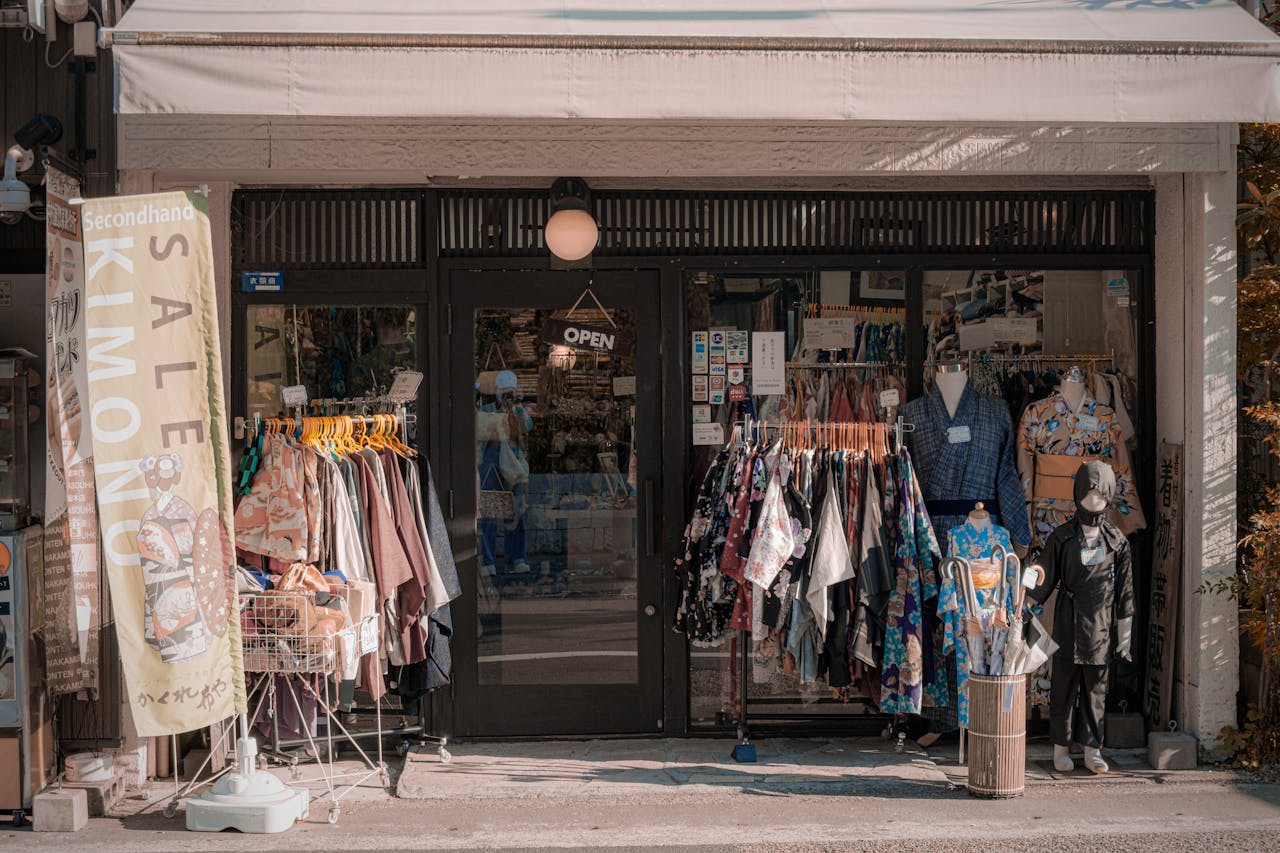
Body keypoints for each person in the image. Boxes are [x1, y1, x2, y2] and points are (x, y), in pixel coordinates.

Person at [476, 370, 532, 576]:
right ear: (497, 391)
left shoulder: (518, 410)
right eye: (503, 391)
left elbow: (527, 427)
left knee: (516, 512)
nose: (506, 395)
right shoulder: (486, 409)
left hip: (513, 464)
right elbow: (479, 431)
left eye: (510, 391)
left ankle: (516, 558)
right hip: (491, 462)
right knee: (489, 510)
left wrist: (517, 407)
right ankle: (488, 560)